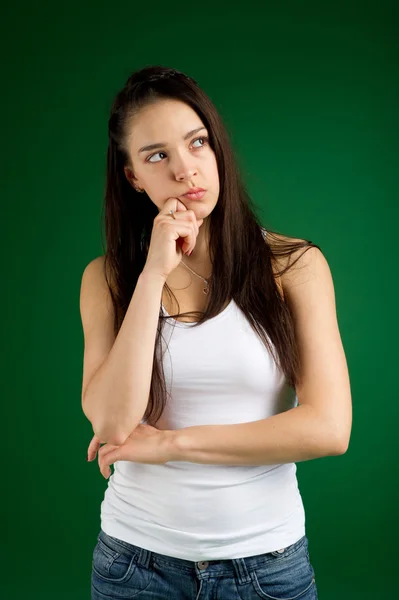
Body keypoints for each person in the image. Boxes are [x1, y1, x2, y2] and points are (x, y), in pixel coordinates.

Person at [80, 65, 352, 599]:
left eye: (197, 142)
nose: (185, 170)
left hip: (267, 565)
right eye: (157, 155)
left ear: (217, 147)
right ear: (133, 175)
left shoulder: (293, 265)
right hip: (134, 565)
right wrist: (153, 274)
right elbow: (113, 422)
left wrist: (170, 445)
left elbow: (328, 428)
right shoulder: (107, 278)